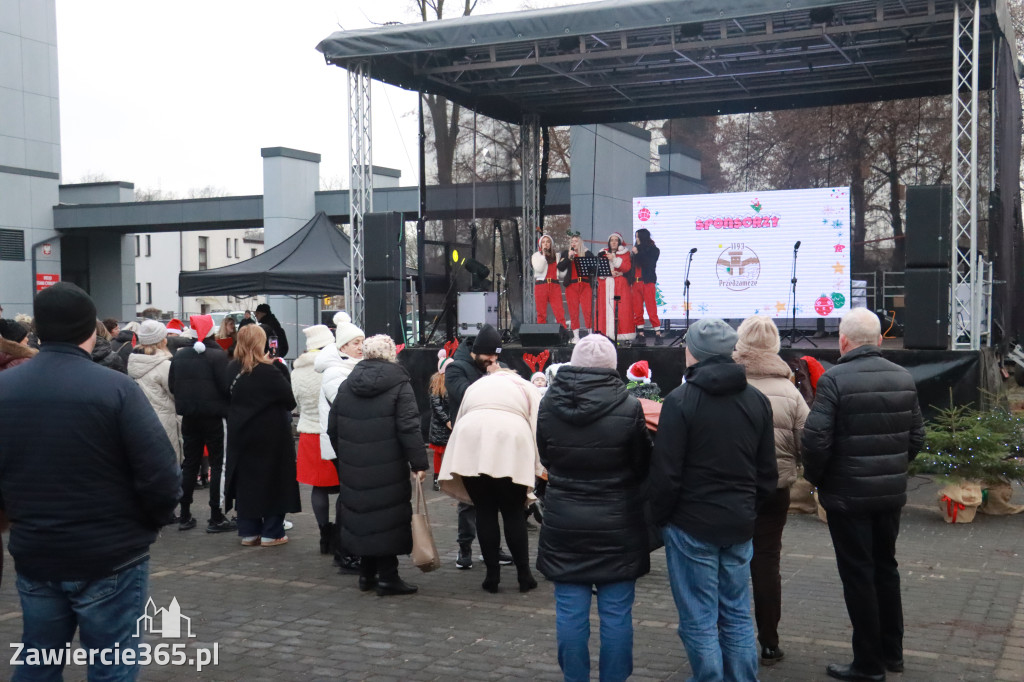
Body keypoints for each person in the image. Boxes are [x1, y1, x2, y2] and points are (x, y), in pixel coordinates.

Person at [0, 282, 181, 681]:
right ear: (92, 330)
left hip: (37, 551)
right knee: (112, 665)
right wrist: (151, 521)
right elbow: (161, 473)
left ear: (36, 332)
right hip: (111, 553)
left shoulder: (5, 389)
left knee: (38, 661)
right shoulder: (116, 389)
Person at [648, 318, 777, 682]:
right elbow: (767, 473)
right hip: (738, 524)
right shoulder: (757, 401)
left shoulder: (680, 401)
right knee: (736, 612)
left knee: (699, 617)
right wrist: (748, 510)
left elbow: (667, 473)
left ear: (693, 353)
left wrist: (662, 517)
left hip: (691, 526)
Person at [802, 308, 925, 682]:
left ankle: (868, 664)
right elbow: (917, 437)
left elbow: (815, 440)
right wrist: (891, 469)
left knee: (859, 575)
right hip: (889, 495)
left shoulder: (834, 379)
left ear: (843, 341)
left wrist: (819, 480)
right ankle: (893, 653)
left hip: (848, 497)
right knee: (886, 568)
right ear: (880, 340)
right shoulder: (903, 377)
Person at [537, 333, 652, 682]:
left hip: (564, 520)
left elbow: (547, 456)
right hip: (618, 522)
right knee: (617, 614)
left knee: (570, 612)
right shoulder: (630, 407)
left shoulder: (549, 404)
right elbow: (642, 464)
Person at [733, 315, 810, 666]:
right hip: (774, 489)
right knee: (767, 561)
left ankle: (730, 640)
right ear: (776, 345)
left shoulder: (727, 386)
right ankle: (769, 641)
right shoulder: (791, 392)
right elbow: (806, 442)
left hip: (730, 491)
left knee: (727, 562)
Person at [327, 334, 428, 596]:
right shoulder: (399, 383)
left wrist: (345, 454)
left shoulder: (348, 384)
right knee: (386, 516)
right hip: (389, 464)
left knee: (363, 515)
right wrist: (418, 463)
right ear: (391, 355)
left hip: (353, 464)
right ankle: (388, 577)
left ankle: (366, 574)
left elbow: (332, 426)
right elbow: (409, 426)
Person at [440, 369, 541, 593]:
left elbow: (460, 416)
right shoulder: (526, 387)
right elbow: (536, 424)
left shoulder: (476, 386)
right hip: (510, 439)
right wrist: (538, 464)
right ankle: (524, 575)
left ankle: (492, 576)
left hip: (471, 439)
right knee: (513, 511)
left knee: (484, 511)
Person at [223, 324, 301, 546]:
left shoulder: (231, 368)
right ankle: (272, 532)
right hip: (271, 434)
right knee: (275, 481)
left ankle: (249, 531)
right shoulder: (269, 370)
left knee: (247, 482)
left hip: (240, 432)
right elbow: (289, 400)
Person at [444, 324, 514, 570]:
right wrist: (495, 379)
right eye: (489, 356)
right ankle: (464, 548)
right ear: (476, 351)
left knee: (493, 498)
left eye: (497, 356)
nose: (493, 360)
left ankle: (492, 548)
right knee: (468, 501)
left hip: (495, 441)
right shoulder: (455, 369)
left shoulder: (499, 369)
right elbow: (467, 395)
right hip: (469, 443)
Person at [168, 314, 235, 533]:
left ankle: (185, 513)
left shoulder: (179, 356)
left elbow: (172, 385)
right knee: (216, 464)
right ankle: (215, 515)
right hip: (214, 416)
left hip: (189, 416)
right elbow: (226, 387)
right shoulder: (217, 356)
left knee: (190, 463)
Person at [315, 311, 365, 572]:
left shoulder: (349, 367)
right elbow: (347, 403)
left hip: (350, 442)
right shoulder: (335, 370)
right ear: (343, 346)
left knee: (350, 497)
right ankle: (344, 552)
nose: (360, 347)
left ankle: (346, 549)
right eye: (356, 343)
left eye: (362, 342)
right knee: (348, 498)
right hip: (342, 443)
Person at [292, 324, 341, 555]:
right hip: (333, 433)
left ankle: (324, 535)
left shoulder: (297, 369)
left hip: (309, 433)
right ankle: (340, 535)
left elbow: (295, 403)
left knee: (318, 488)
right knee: (345, 487)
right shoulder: (334, 366)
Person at [128, 319, 183, 463]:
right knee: (168, 465)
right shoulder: (164, 365)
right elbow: (175, 393)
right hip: (165, 422)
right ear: (161, 341)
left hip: (141, 420)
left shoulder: (134, 362)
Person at [596, 233, 634, 344]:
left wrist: (614, 259)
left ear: (619, 242)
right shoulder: (602, 253)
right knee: (604, 309)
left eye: (616, 240)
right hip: (606, 285)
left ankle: (622, 336)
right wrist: (608, 273)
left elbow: (626, 267)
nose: (613, 242)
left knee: (622, 310)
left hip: (620, 285)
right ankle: (604, 334)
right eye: (611, 240)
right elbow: (598, 270)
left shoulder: (624, 253)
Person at [558, 233, 594, 344]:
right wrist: (569, 258)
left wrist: (585, 257)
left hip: (584, 285)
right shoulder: (566, 253)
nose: (574, 243)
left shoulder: (587, 253)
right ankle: (576, 336)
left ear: (581, 242)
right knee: (573, 312)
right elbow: (560, 267)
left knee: (587, 310)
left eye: (576, 241)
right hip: (572, 286)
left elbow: (593, 268)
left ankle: (590, 334)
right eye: (572, 241)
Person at [631, 228, 662, 345]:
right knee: (637, 309)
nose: (636, 239)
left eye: (638, 236)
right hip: (636, 282)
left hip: (647, 282)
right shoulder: (635, 250)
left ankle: (658, 333)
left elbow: (648, 263)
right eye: (635, 236)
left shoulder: (653, 250)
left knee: (651, 308)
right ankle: (640, 333)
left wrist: (638, 252)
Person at [428, 351, 454, 492]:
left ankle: (451, 478)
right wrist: (446, 420)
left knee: (453, 452)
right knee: (439, 453)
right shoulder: (437, 384)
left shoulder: (454, 382)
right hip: (441, 425)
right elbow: (436, 406)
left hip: (452, 423)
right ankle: (436, 479)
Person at [532, 233, 567, 327]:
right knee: (541, 313)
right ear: (540, 244)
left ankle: (563, 336)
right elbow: (539, 269)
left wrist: (567, 263)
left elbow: (562, 274)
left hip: (554, 285)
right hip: (541, 285)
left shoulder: (557, 256)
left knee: (559, 311)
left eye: (548, 242)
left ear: (551, 243)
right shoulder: (536, 255)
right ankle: (542, 338)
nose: (546, 244)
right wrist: (543, 256)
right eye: (543, 242)